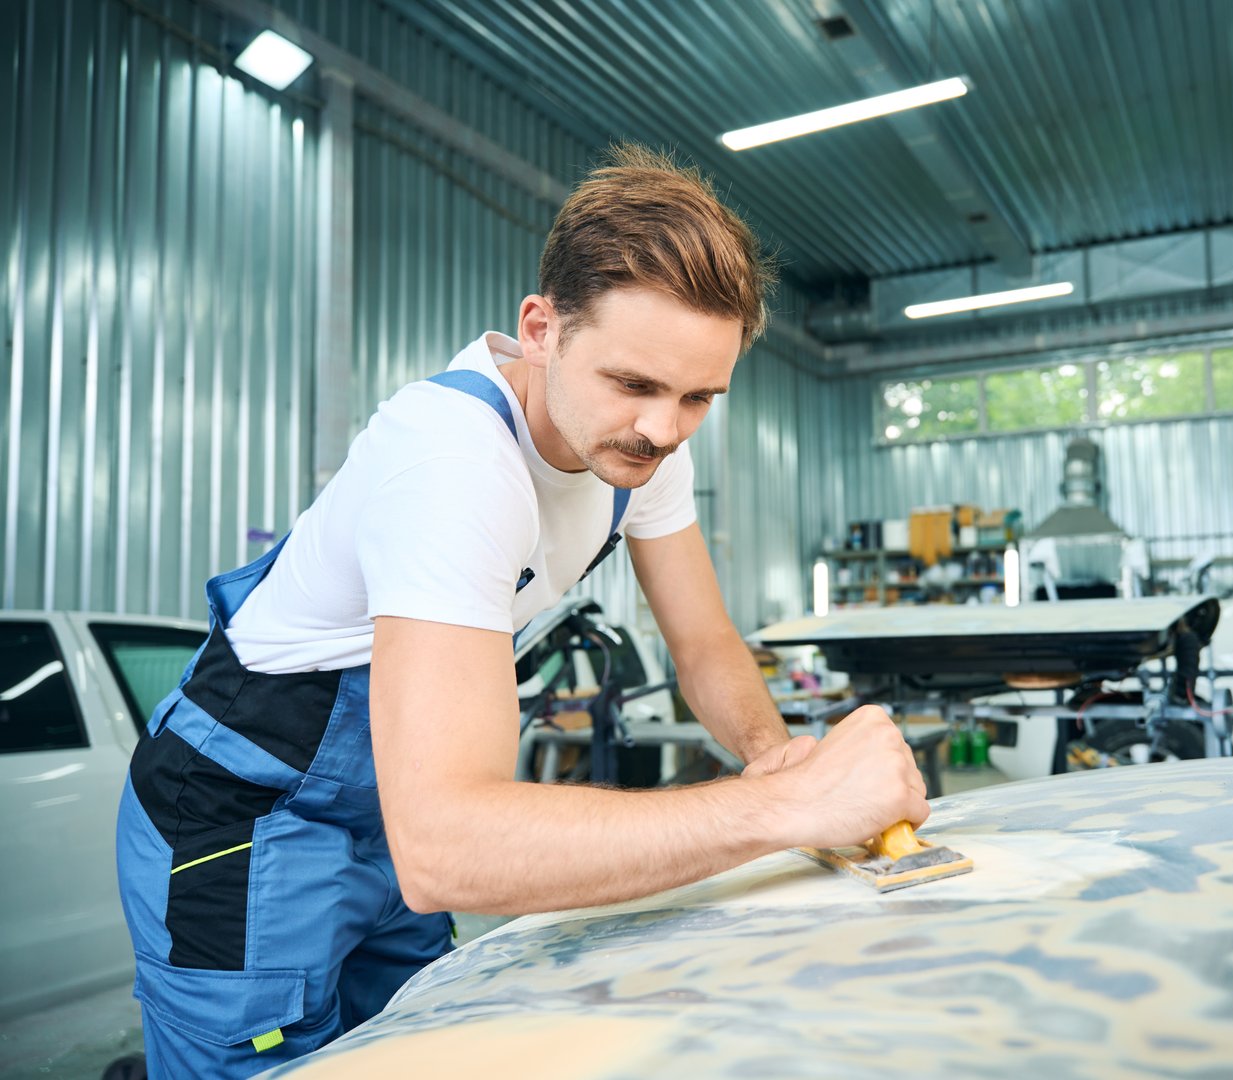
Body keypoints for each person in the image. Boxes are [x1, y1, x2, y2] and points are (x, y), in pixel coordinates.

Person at [115, 145, 930, 1077]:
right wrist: (781, 806)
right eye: (634, 384)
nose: (664, 428)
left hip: (386, 802)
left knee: (409, 1051)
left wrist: (773, 752)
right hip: (243, 815)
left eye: (699, 396)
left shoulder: (642, 450)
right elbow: (449, 848)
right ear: (540, 328)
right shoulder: (452, 462)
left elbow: (704, 644)